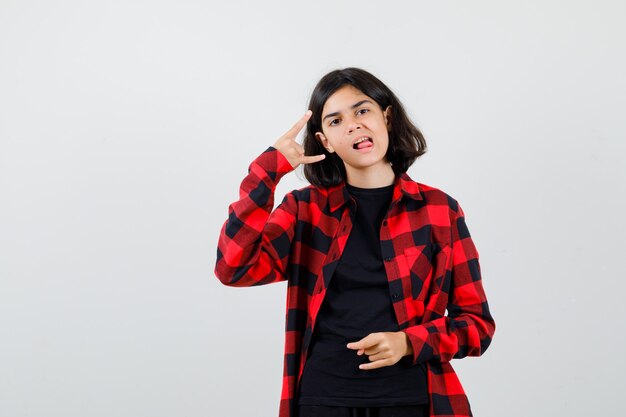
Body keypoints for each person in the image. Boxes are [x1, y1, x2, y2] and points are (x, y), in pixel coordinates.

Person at [215, 67, 495, 417]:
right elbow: (233, 268)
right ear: (326, 142)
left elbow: (477, 325)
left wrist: (409, 342)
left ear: (387, 117)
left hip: (413, 402)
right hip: (322, 400)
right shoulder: (306, 209)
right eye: (335, 121)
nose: (352, 125)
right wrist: (267, 170)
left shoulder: (440, 211)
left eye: (362, 111)